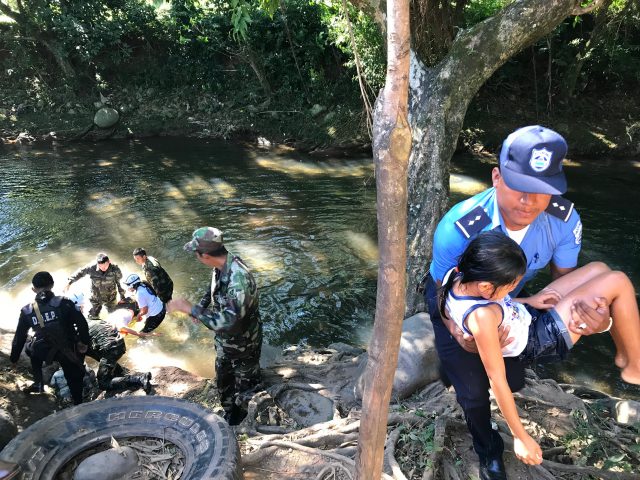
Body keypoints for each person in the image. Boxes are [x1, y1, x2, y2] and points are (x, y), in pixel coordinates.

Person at [423, 125, 611, 480]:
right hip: (455, 303)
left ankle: (454, 370)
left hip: (505, 300)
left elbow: (566, 286)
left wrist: (599, 320)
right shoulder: (460, 227)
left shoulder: (563, 220)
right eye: (519, 187)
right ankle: (489, 450)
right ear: (496, 177)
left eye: (542, 191)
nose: (529, 201)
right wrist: (457, 332)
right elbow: (441, 290)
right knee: (474, 393)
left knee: (512, 379)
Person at [440, 231, 640, 467]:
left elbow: (493, 302)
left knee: (599, 269)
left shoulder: (457, 275)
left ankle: (624, 352)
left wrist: (527, 300)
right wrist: (520, 437)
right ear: (486, 286)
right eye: (512, 285)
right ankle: (634, 367)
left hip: (527, 314)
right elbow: (497, 380)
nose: (515, 288)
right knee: (618, 281)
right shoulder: (481, 318)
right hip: (539, 339)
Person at [168, 227, 263, 425]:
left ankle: (245, 425)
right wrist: (202, 305)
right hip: (225, 344)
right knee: (223, 383)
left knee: (245, 390)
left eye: (196, 253)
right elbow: (212, 287)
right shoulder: (221, 264)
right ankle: (229, 416)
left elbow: (227, 323)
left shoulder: (239, 280)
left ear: (205, 255)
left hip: (244, 346)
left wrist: (192, 309)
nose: (195, 256)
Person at [10, 272, 90, 405]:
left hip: (43, 351)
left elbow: (19, 337)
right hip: (67, 351)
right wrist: (84, 343)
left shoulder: (27, 311)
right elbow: (82, 324)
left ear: (33, 289)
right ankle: (78, 402)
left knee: (30, 346)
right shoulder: (65, 303)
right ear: (52, 285)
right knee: (73, 378)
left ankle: (38, 383)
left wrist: (14, 358)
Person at [68, 292, 153, 393]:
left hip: (111, 347)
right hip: (116, 342)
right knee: (93, 351)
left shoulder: (73, 327)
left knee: (103, 383)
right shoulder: (85, 319)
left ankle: (139, 378)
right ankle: (121, 371)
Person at [64, 253, 127, 319]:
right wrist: (69, 282)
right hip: (96, 298)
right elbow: (80, 273)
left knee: (114, 317)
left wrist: (122, 297)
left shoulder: (115, 270)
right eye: (100, 266)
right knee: (92, 318)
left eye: (105, 266)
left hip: (110, 298)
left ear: (109, 262)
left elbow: (119, 283)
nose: (103, 268)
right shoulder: (92, 268)